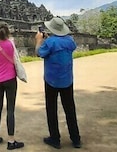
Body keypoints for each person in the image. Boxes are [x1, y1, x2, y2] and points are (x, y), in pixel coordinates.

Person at [35, 17, 81, 149]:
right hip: (67, 79)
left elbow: (39, 53)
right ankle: (76, 138)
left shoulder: (49, 42)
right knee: (70, 109)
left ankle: (55, 138)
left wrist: (39, 41)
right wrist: (51, 39)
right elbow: (65, 45)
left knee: (52, 109)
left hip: (51, 80)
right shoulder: (70, 41)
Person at [0, 22, 24, 150]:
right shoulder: (10, 44)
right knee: (10, 110)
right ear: (7, 32)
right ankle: (11, 141)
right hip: (10, 80)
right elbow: (13, 50)